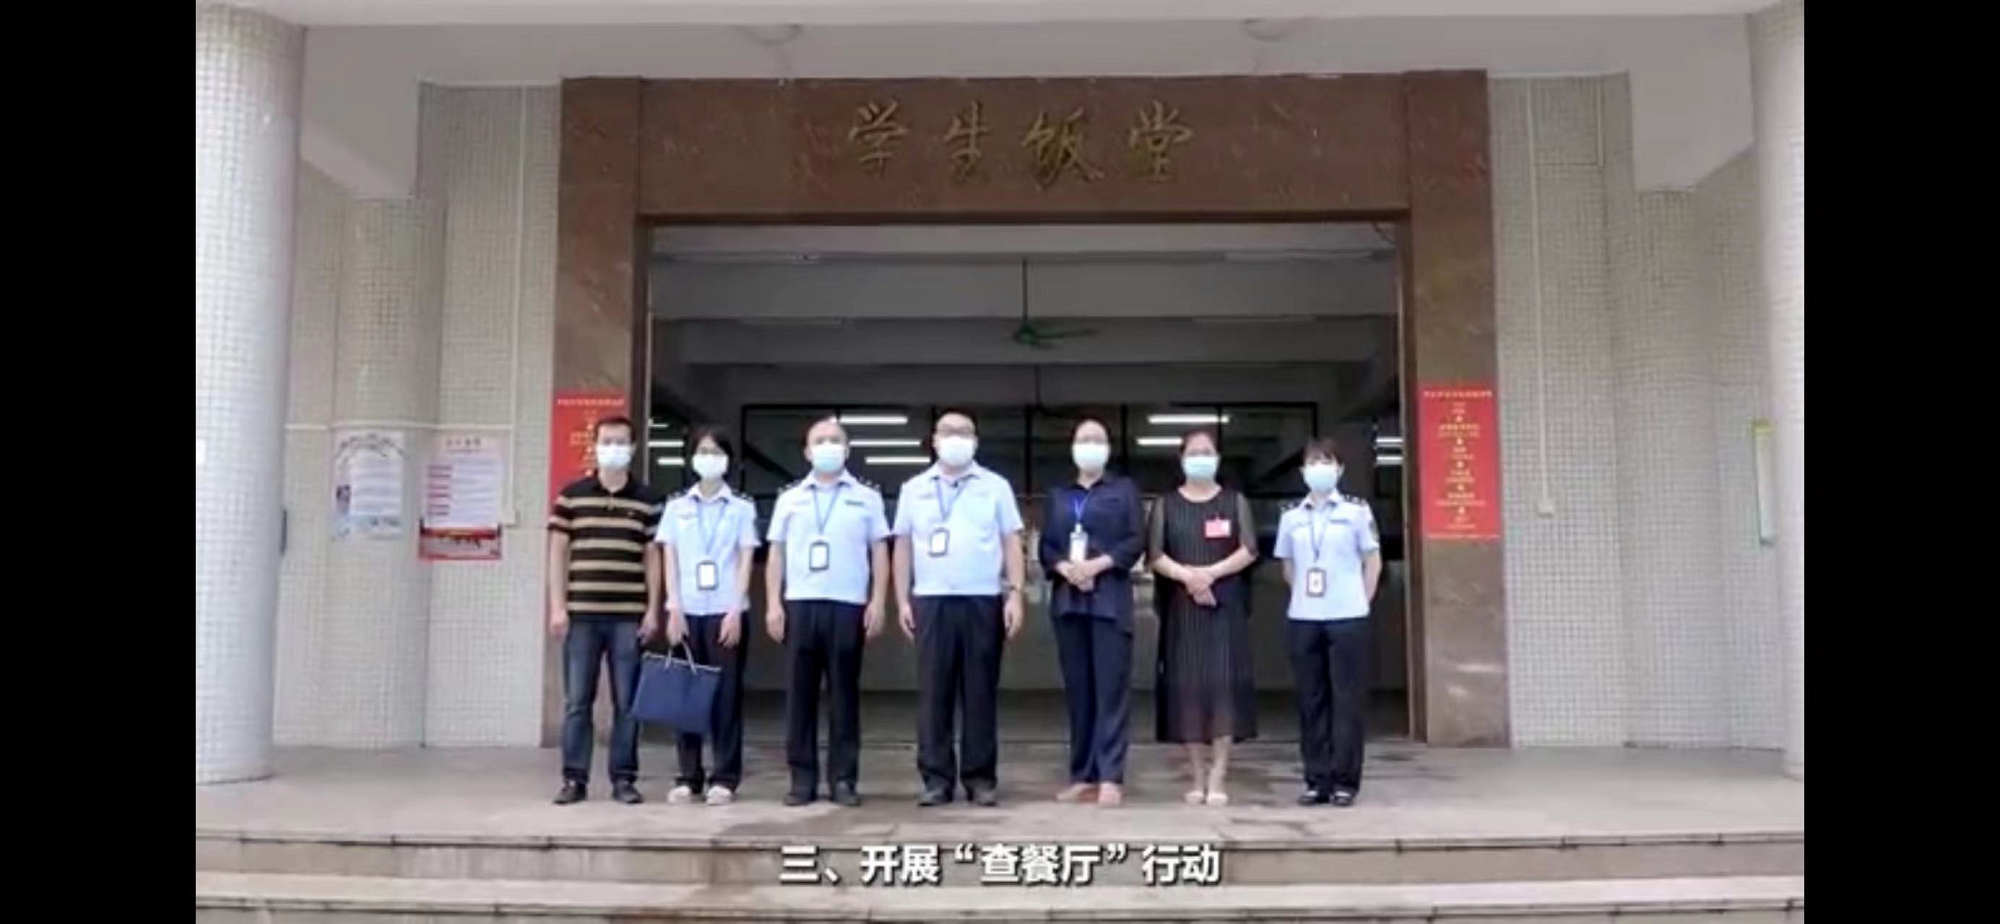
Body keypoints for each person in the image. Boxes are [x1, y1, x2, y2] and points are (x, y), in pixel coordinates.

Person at [893, 409, 1026, 807]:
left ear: (976, 441)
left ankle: (980, 778)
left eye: (964, 432)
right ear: (934, 441)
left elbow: (1011, 541)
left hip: (982, 598)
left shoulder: (995, 487)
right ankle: (936, 778)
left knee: (980, 692)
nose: (956, 438)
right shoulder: (914, 489)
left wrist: (1015, 593)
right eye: (948, 431)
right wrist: (902, 598)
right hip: (931, 599)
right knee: (934, 693)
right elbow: (902, 545)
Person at [765, 417, 891, 807]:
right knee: (799, 696)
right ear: (807, 452)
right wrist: (773, 603)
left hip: (848, 604)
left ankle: (843, 779)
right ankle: (801, 780)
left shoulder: (866, 497)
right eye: (819, 440)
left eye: (835, 440)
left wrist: (878, 600)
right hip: (800, 604)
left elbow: (880, 551)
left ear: (847, 450)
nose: (828, 446)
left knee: (844, 696)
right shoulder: (790, 498)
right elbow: (776, 553)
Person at [546, 416, 667, 806]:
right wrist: (557, 606)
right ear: (594, 445)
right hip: (580, 615)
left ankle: (624, 779)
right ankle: (574, 779)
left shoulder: (648, 499)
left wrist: (653, 610)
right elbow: (557, 553)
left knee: (627, 703)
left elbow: (653, 557)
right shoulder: (572, 496)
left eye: (621, 442)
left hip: (628, 617)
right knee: (577, 702)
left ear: (633, 448)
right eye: (607, 441)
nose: (613, 448)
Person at [648, 426, 761, 806]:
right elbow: (670, 558)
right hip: (687, 611)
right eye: (703, 451)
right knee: (687, 696)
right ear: (692, 458)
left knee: (726, 698)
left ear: (728, 460)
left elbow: (745, 559)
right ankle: (689, 776)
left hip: (726, 612)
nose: (709, 458)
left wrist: (735, 609)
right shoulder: (677, 506)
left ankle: (725, 777)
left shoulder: (742, 507)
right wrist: (673, 607)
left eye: (716, 452)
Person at [1147, 429, 1260, 807]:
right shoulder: (1166, 505)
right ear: (1181, 460)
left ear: (1218, 458)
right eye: (1193, 452)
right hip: (1183, 608)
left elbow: (1249, 549)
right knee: (1189, 690)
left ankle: (1219, 774)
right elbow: (1155, 554)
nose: (1200, 458)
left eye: (1207, 452)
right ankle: (1196, 775)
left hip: (1223, 606)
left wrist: (1210, 574)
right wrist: (1188, 578)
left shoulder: (1234, 502)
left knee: (1223, 688)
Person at [1037, 417, 1144, 807]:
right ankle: (1082, 774)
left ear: (1108, 448)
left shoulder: (1124, 491)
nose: (1090, 445)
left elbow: (1135, 541)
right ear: (1072, 447)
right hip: (1070, 602)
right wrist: (1066, 568)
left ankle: (1111, 775)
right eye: (1083, 439)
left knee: (1110, 691)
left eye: (1097, 439)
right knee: (1079, 693)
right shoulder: (1059, 496)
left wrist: (1096, 566)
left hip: (1109, 602)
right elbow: (1047, 547)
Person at [1273, 439, 1382, 808]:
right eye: (1313, 462)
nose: (1319, 467)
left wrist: (1361, 601)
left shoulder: (1356, 511)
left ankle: (1344, 780)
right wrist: (1306, 598)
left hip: (1348, 616)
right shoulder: (1291, 516)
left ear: (1340, 469)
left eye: (1327, 461)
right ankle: (1316, 779)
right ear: (1302, 471)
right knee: (1311, 700)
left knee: (1346, 700)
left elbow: (1372, 561)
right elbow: (1288, 567)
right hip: (1304, 617)